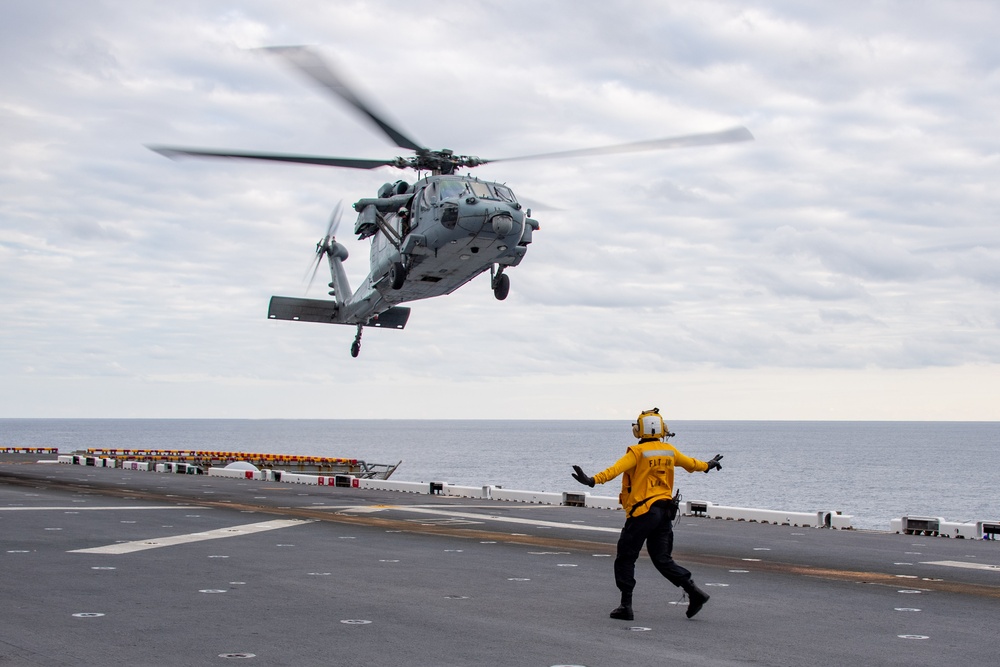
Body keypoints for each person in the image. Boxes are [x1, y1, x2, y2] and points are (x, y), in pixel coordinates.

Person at [571, 408, 723, 621]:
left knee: (626, 557)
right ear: (663, 429)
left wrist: (592, 481)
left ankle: (626, 605)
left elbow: (615, 470)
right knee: (663, 559)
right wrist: (708, 464)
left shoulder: (637, 452)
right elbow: (692, 464)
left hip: (642, 512)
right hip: (664, 512)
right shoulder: (669, 451)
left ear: (638, 430)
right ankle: (694, 592)